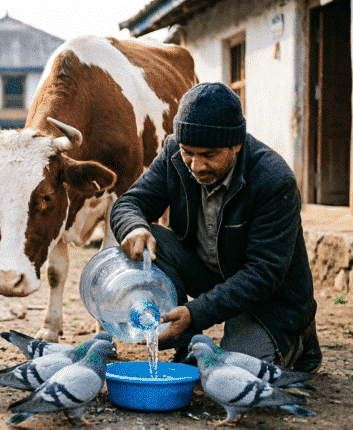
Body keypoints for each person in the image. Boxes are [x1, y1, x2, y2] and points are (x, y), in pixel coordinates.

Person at [110, 82, 322, 372]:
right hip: (211, 274)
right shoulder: (174, 155)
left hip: (266, 295)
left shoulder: (273, 180)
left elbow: (263, 274)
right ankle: (183, 340)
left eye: (209, 155)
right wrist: (134, 227)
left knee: (236, 372)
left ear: (236, 144)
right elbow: (129, 204)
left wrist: (196, 312)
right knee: (152, 237)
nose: (196, 166)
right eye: (189, 153)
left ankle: (298, 335)